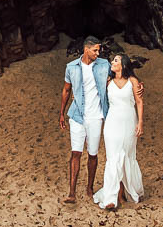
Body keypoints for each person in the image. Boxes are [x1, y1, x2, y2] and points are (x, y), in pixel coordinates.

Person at [60, 36, 110, 204]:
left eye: (99, 50)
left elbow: (119, 77)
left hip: (96, 116)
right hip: (77, 116)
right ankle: (72, 192)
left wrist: (136, 84)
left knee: (93, 154)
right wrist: (61, 113)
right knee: (75, 153)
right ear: (86, 49)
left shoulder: (104, 65)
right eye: (95, 50)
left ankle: (89, 187)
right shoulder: (71, 67)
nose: (98, 52)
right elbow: (66, 90)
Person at [93, 53, 144, 210]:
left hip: (129, 121)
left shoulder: (133, 81)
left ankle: (124, 191)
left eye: (116, 60)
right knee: (113, 157)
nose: (112, 62)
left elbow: (139, 102)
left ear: (123, 65)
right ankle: (111, 197)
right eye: (112, 60)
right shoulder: (108, 82)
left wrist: (140, 122)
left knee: (127, 155)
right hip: (112, 122)